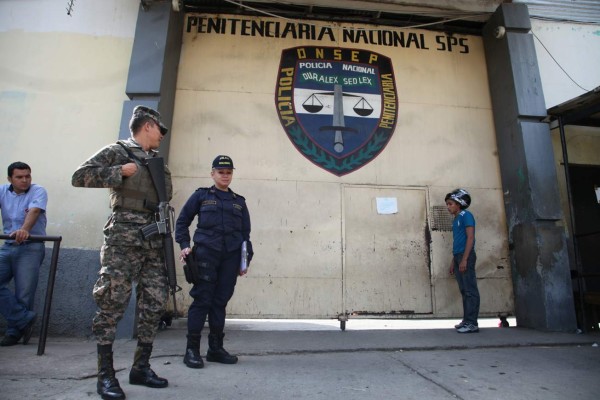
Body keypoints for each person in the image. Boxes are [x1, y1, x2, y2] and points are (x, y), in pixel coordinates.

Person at [72, 105, 172, 400]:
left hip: (153, 240)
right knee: (112, 303)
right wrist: (118, 172)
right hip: (122, 239)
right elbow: (79, 176)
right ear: (148, 126)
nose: (163, 136)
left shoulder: (157, 162)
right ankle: (105, 375)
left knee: (153, 303)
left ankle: (140, 367)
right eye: (161, 129)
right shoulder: (118, 151)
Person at [175, 155, 253, 369]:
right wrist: (184, 245)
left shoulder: (239, 202)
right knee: (202, 300)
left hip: (230, 257)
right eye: (221, 172)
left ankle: (215, 349)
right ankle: (191, 350)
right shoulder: (201, 196)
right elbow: (182, 222)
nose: (225, 176)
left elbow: (245, 234)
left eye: (228, 172)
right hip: (206, 255)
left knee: (220, 302)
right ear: (212, 174)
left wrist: (245, 261)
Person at [0, 162, 47, 346]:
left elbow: (35, 210)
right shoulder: (3, 191)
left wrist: (24, 230)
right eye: (19, 177)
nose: (25, 180)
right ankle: (23, 318)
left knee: (24, 292)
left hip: (31, 246)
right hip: (8, 245)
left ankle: (14, 332)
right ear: (10, 178)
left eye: (27, 176)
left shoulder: (38, 191)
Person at [446, 188, 480, 333]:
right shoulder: (456, 219)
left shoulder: (467, 215)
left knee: (470, 290)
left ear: (459, 203)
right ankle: (466, 320)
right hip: (458, 256)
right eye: (447, 204)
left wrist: (465, 259)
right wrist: (454, 261)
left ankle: (472, 323)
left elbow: (470, 238)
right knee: (464, 290)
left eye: (450, 204)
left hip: (466, 256)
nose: (448, 207)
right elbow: (458, 242)